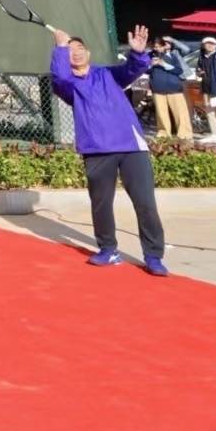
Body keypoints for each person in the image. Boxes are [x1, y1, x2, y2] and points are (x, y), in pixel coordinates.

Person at [50, 25, 169, 277]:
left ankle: (153, 256)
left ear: (89, 53)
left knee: (145, 204)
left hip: (131, 148)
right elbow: (59, 78)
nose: (75, 52)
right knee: (101, 204)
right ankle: (108, 249)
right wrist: (60, 47)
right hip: (96, 150)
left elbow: (132, 69)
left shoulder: (108, 74)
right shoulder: (69, 85)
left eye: (79, 48)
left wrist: (138, 53)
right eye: (70, 51)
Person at [145, 36, 192, 142]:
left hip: (174, 87)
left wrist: (164, 64)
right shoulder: (149, 56)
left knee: (180, 112)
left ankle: (184, 134)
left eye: (159, 46)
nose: (157, 49)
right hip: (158, 87)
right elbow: (144, 70)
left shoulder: (172, 55)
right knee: (161, 113)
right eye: (155, 47)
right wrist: (150, 65)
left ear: (164, 46)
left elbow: (179, 70)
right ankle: (164, 133)